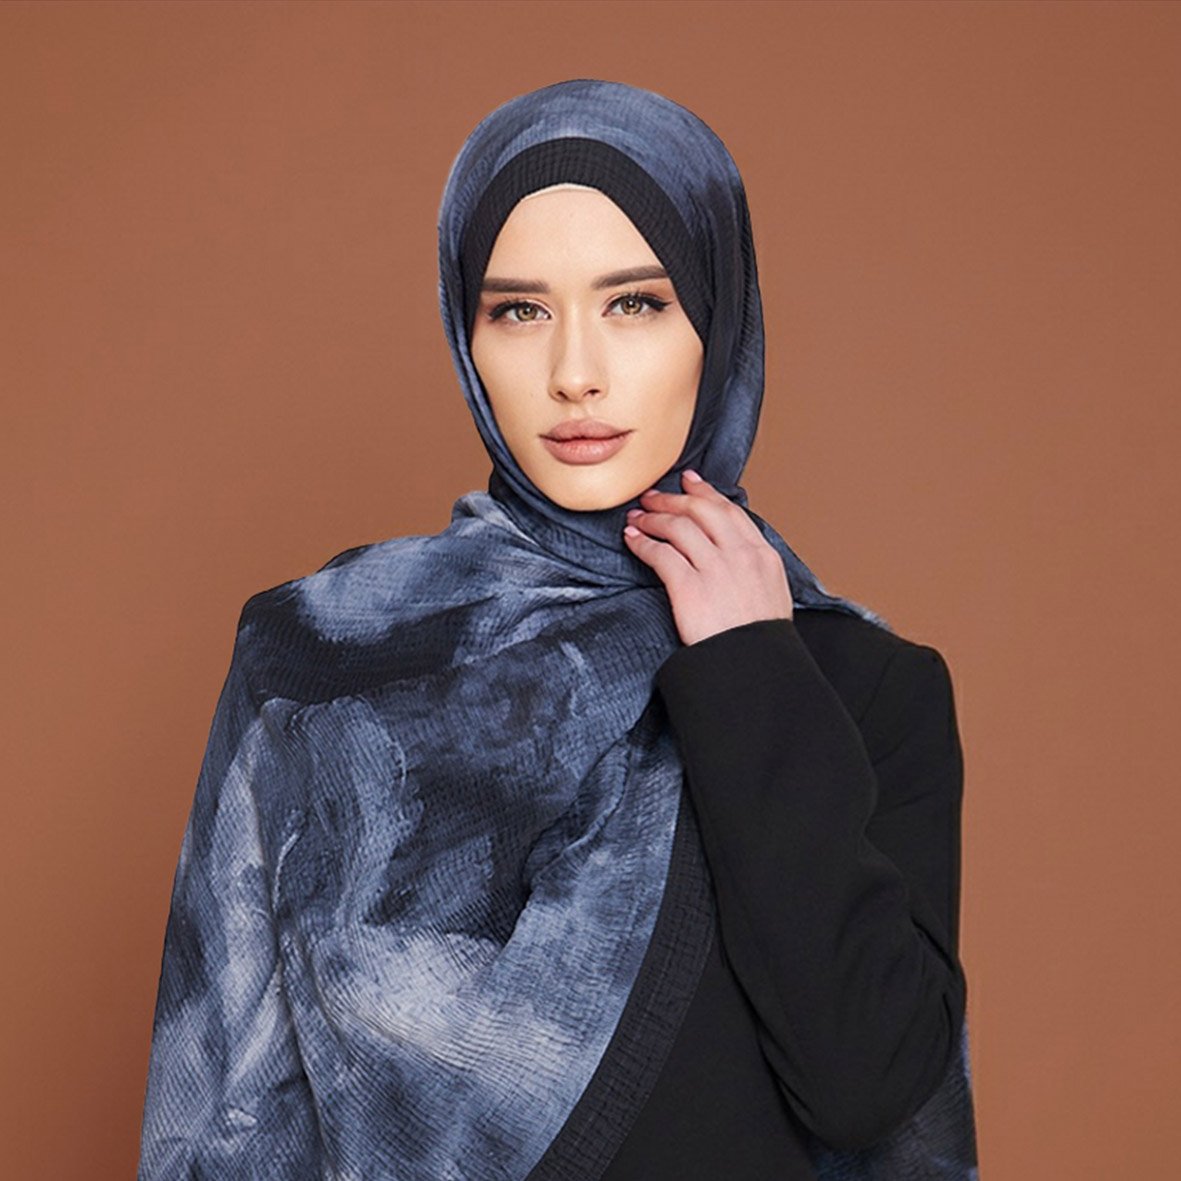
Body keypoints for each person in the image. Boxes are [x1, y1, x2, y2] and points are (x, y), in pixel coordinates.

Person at [136, 79, 979, 1180]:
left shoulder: (856, 685)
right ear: (466, 335)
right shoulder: (317, 663)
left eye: (635, 303)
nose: (574, 373)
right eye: (519, 311)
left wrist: (748, 672)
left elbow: (869, 1081)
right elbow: (226, 1112)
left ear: (718, 319)